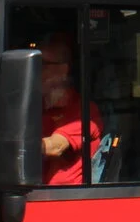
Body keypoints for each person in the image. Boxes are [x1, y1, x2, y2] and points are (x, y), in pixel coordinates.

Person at [37, 40, 102, 187]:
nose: (35, 72)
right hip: (34, 191)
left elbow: (55, 147)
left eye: (42, 64)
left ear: (63, 69)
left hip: (64, 195)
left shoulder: (83, 110)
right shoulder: (39, 107)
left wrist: (11, 149)